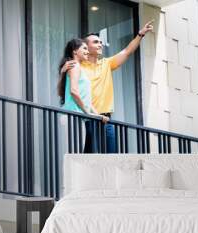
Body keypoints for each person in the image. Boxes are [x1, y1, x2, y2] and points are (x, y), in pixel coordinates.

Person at [61, 20, 154, 153]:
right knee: (90, 158)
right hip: (88, 118)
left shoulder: (106, 64)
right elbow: (70, 88)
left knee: (111, 157)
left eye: (100, 42)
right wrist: (62, 71)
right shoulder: (78, 66)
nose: (100, 44)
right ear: (85, 47)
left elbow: (127, 52)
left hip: (106, 119)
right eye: (95, 42)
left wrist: (140, 35)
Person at [57, 38, 108, 153]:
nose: (87, 51)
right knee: (73, 156)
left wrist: (99, 116)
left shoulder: (76, 67)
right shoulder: (75, 66)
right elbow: (74, 91)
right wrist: (87, 112)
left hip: (77, 117)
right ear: (75, 51)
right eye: (84, 48)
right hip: (72, 117)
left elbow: (87, 101)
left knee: (76, 156)